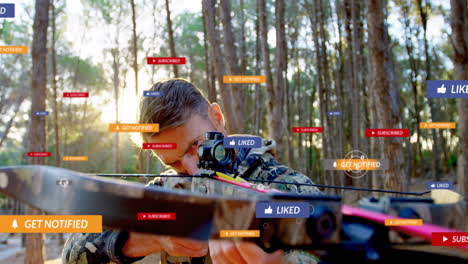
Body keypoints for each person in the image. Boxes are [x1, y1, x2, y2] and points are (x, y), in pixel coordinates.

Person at [62, 78, 321, 264]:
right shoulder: (167, 191)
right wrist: (148, 239)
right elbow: (72, 253)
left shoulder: (289, 186)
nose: (192, 169)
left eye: (196, 146)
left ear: (217, 118)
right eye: (172, 162)